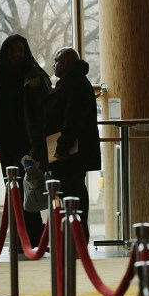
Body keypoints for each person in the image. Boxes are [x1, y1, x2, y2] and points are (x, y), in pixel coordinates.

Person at [0, 34, 51, 246]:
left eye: (19, 51)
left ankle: (30, 237)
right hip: (6, 140)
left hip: (28, 142)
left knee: (28, 189)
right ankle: (24, 237)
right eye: (13, 51)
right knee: (14, 189)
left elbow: (46, 108)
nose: (16, 54)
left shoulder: (35, 76)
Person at [43, 47, 101, 240]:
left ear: (65, 63)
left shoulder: (74, 84)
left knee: (72, 191)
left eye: (56, 61)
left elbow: (71, 121)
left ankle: (76, 235)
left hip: (71, 153)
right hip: (73, 151)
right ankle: (75, 235)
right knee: (73, 189)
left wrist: (62, 148)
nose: (54, 65)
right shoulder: (75, 82)